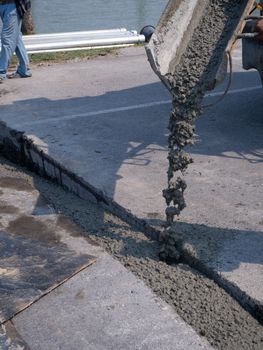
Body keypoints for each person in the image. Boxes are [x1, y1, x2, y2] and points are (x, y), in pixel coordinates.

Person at [0, 0, 32, 83]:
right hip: (5, 5)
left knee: (7, 39)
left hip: (11, 5)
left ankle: (1, 72)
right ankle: (24, 69)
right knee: (16, 37)